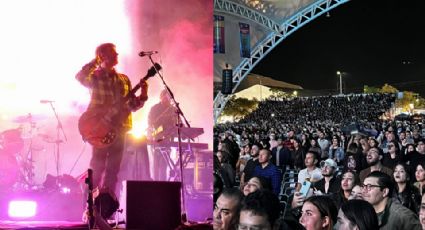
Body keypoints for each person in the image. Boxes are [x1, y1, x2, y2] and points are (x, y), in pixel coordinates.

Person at [76, 43, 148, 195]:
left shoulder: (123, 79)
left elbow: (132, 106)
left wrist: (144, 92)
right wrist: (96, 61)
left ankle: (107, 209)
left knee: (113, 171)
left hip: (119, 129)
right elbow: (80, 77)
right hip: (100, 129)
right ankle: (90, 207)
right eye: (113, 53)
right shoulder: (96, 76)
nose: (117, 56)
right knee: (97, 168)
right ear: (103, 56)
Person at [148, 89, 176, 181]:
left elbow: (177, 123)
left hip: (168, 139)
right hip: (156, 138)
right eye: (165, 96)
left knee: (164, 165)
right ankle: (155, 184)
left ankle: (163, 184)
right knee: (156, 165)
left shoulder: (173, 109)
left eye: (168, 97)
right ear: (161, 97)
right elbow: (150, 124)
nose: (167, 99)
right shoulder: (155, 108)